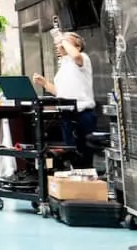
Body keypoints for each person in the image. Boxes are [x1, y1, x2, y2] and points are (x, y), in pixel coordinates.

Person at [32, 31, 97, 168]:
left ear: (77, 46)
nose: (60, 45)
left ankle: (87, 178)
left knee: (83, 155)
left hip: (82, 114)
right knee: (71, 154)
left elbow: (76, 55)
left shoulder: (82, 58)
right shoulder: (63, 66)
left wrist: (61, 38)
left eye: (65, 42)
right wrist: (45, 83)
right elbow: (60, 93)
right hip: (66, 114)